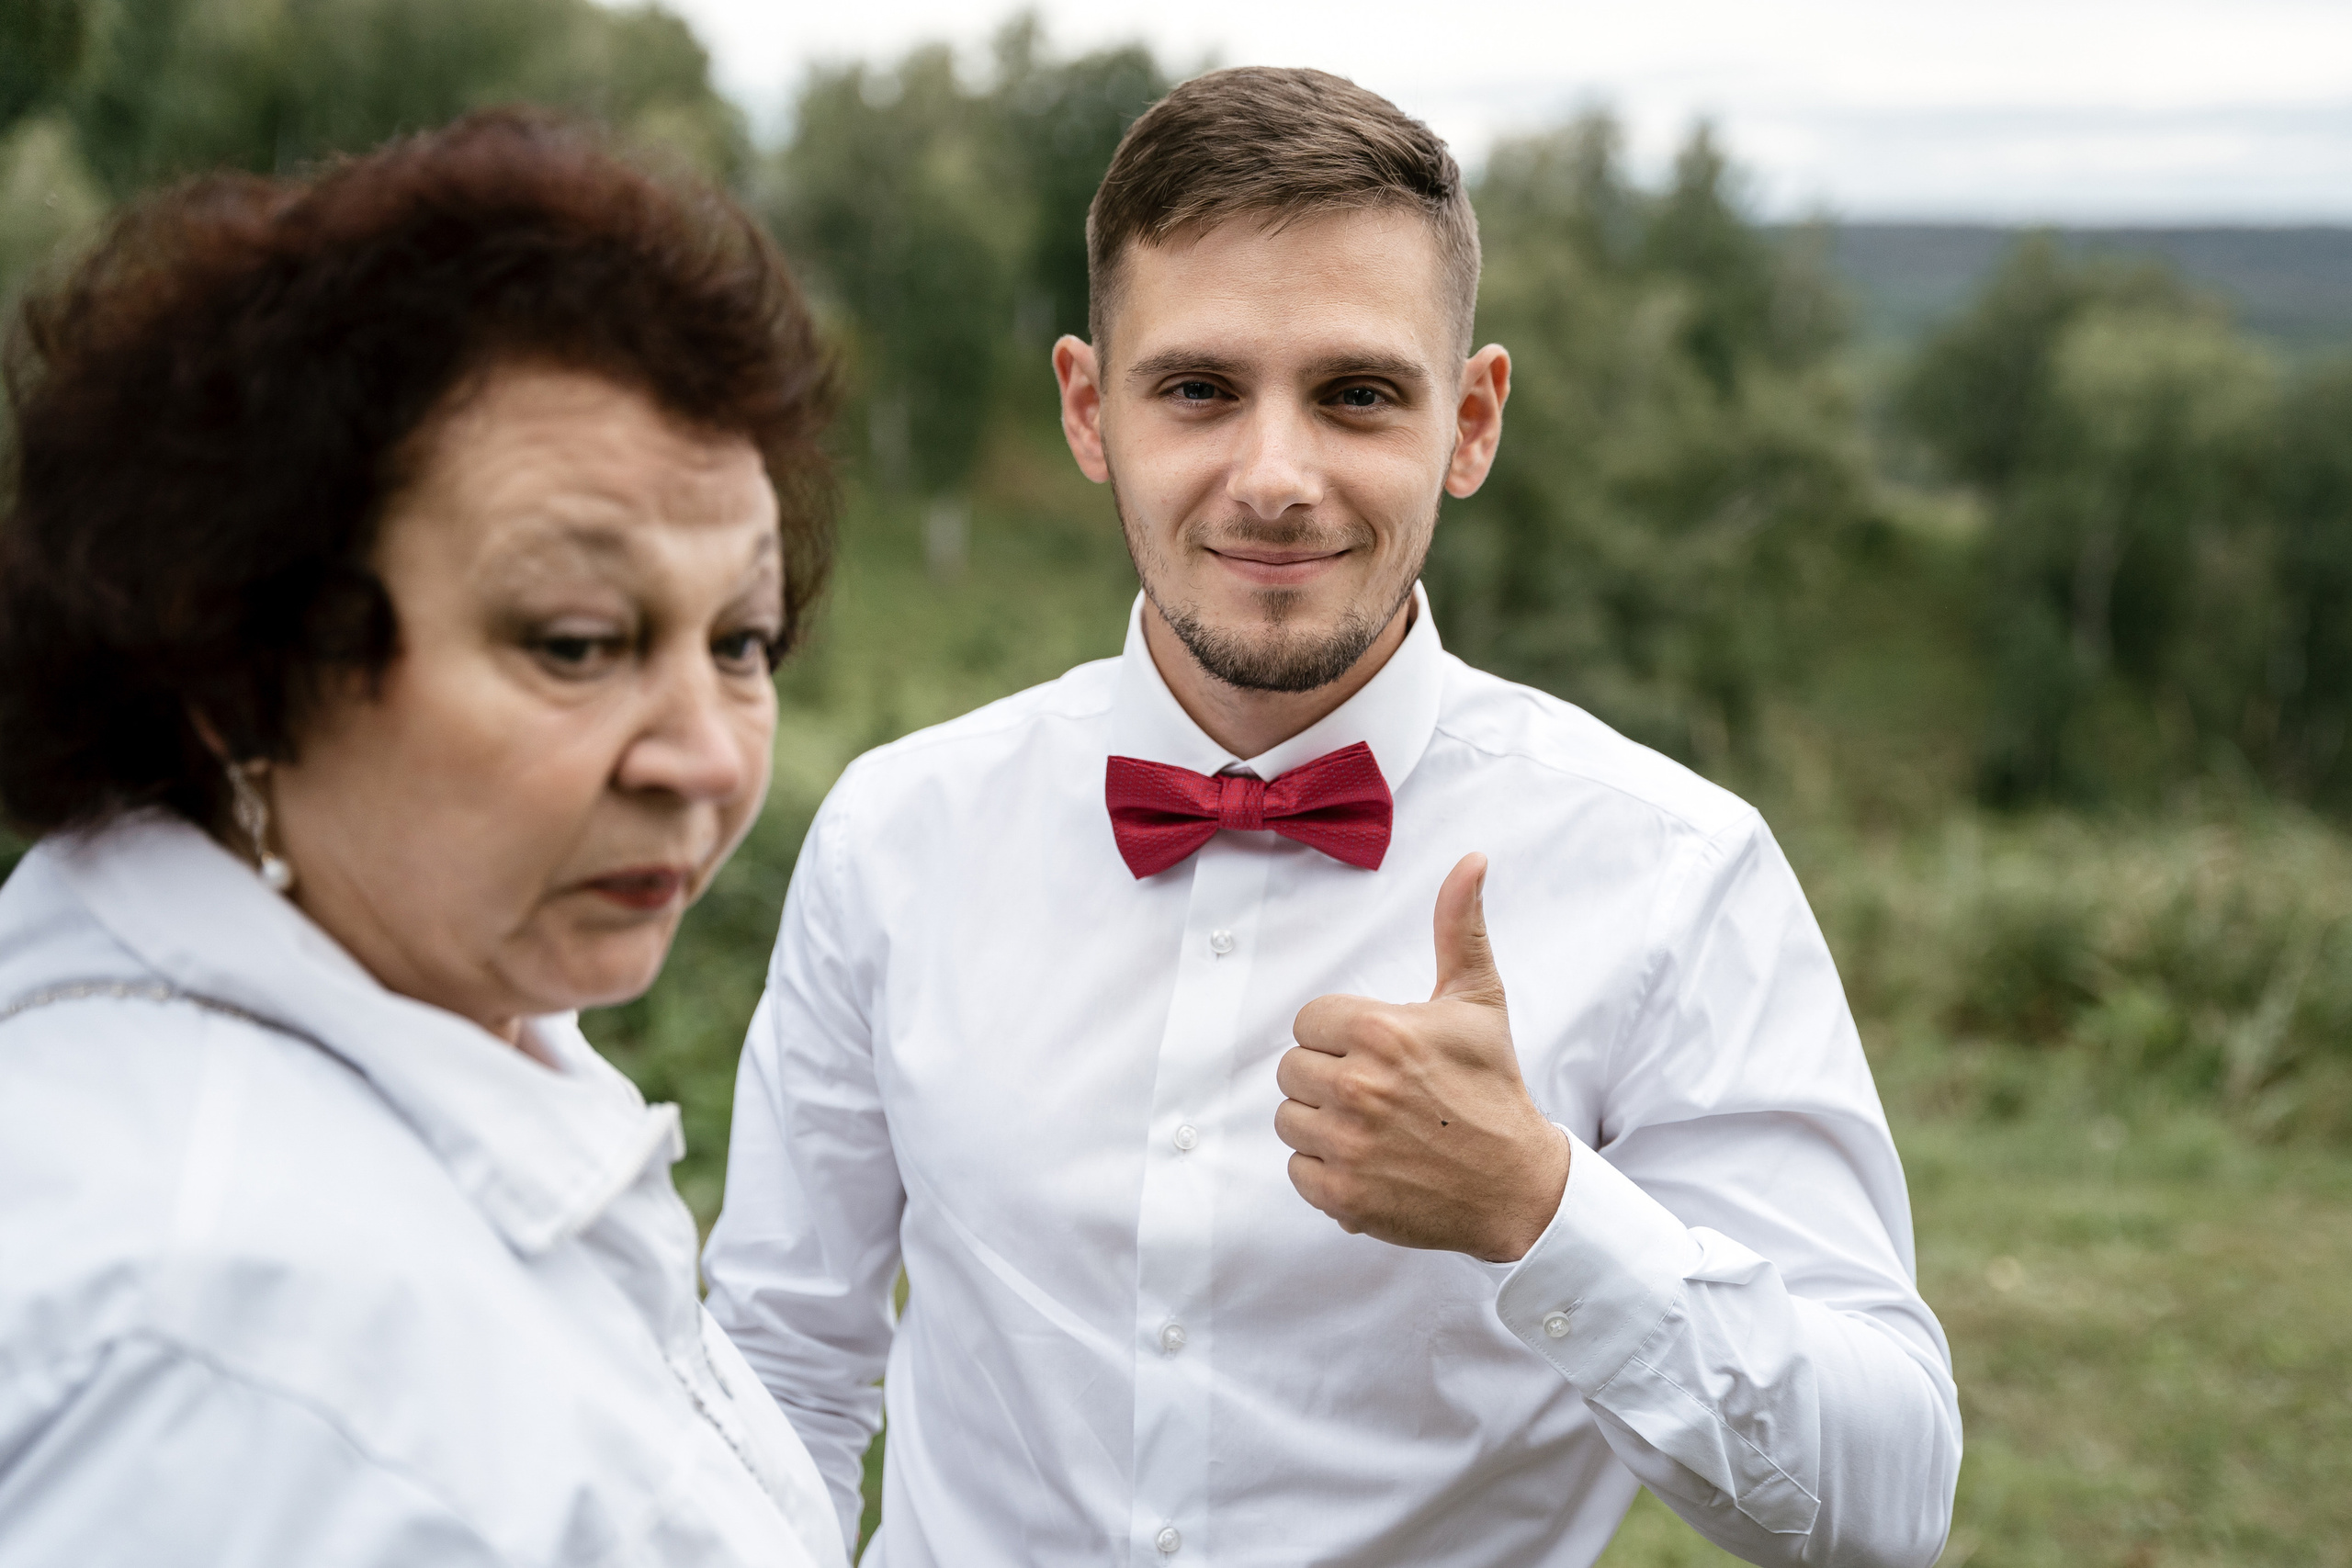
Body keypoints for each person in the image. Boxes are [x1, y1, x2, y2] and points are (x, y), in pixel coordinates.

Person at [704, 66, 1962, 1568]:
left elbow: (1887, 1505)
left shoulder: (1674, 872)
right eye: (1199, 390)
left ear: (1472, 421)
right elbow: (779, 1368)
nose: (1277, 478)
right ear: (1091, 410)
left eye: (1357, 394)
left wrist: (1542, 1206)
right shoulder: (896, 835)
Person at [0, 112, 845, 1567]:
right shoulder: (204, 1343)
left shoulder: (448, 1015)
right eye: (579, 643)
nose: (706, 754)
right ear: (238, 667)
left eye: (742, 639)